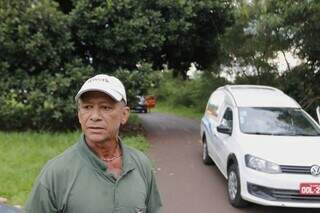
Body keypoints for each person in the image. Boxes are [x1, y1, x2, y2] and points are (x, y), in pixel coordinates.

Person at [25, 74, 163, 213]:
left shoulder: (140, 164)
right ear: (79, 114)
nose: (95, 116)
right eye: (87, 107)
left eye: (105, 107)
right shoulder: (56, 173)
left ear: (124, 115)